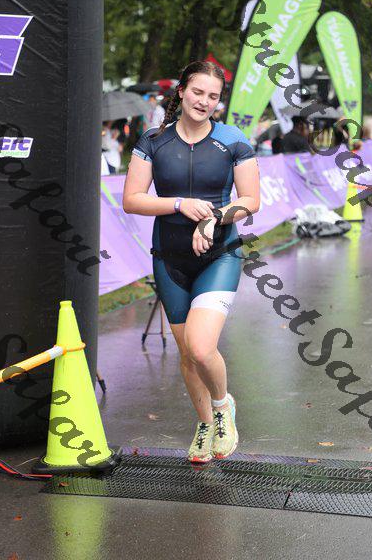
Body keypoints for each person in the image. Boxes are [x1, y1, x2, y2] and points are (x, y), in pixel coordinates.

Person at [123, 61, 260, 463]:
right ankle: (204, 424)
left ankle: (222, 406)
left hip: (219, 256)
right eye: (198, 92)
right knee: (186, 354)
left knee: (201, 348)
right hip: (170, 260)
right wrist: (180, 204)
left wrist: (214, 217)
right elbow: (132, 200)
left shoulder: (232, 140)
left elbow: (251, 200)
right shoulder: (153, 141)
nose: (204, 101)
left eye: (213, 96)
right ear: (182, 91)